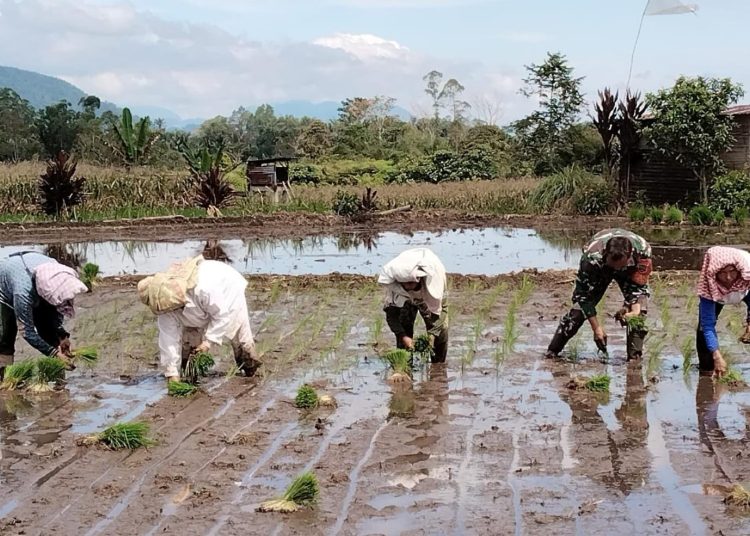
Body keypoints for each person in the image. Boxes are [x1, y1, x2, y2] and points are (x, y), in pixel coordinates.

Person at [138, 256, 260, 383]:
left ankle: (249, 372)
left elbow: (222, 316)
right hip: (199, 305)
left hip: (227, 287)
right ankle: (190, 374)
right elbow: (168, 340)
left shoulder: (203, 288)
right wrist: (171, 373)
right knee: (190, 347)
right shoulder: (165, 306)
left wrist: (208, 342)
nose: (172, 312)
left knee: (239, 337)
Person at [546, 229, 652, 360]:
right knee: (578, 312)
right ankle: (552, 351)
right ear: (605, 255)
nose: (616, 270)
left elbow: (639, 288)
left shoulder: (643, 252)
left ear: (629, 257)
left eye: (620, 266)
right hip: (600, 269)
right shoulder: (591, 259)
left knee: (640, 314)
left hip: (629, 270)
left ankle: (634, 359)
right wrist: (596, 328)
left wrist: (634, 312)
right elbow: (583, 297)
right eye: (614, 266)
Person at [0, 252, 88, 379]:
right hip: (5, 288)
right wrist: (54, 354)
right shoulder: (23, 292)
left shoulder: (57, 276)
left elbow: (54, 316)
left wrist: (62, 337)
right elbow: (27, 332)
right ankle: (4, 377)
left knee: (48, 328)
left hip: (34, 278)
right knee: (5, 338)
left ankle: (58, 377)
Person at [378, 248, 448, 363]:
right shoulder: (395, 288)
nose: (409, 286)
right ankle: (405, 366)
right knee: (403, 326)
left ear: (419, 278)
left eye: (412, 283)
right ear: (399, 282)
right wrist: (404, 336)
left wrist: (432, 335)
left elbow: (442, 311)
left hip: (427, 297)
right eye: (405, 283)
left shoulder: (435, 281)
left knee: (441, 331)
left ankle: (438, 369)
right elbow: (392, 316)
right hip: (404, 299)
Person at [695, 246, 750, 376]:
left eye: (732, 271)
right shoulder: (708, 286)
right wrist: (716, 356)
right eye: (723, 273)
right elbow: (707, 325)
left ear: (739, 270)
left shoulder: (747, 278)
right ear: (714, 273)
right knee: (702, 330)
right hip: (718, 296)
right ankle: (707, 370)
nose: (729, 277)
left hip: (745, 291)